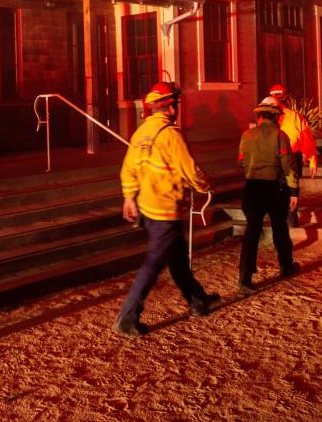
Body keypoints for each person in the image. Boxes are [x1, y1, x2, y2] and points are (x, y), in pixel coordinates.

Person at [114, 82, 221, 337]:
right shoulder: (172, 135)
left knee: (179, 261)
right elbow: (190, 169)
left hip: (147, 207)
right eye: (176, 104)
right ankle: (128, 317)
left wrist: (129, 197)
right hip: (165, 208)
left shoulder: (141, 133)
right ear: (171, 107)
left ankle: (198, 301)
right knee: (154, 263)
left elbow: (128, 168)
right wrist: (206, 185)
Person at [237, 97, 300, 294]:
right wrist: (294, 191)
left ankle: (245, 278)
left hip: (252, 188)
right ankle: (286, 265)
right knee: (280, 228)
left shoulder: (247, 135)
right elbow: (288, 167)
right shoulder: (280, 136)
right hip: (273, 188)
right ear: (275, 116)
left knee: (252, 233)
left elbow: (241, 162)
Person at [267, 84, 318, 227]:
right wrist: (312, 160)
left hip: (280, 158)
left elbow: (306, 139)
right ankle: (289, 218)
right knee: (290, 189)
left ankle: (286, 217)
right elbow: (307, 140)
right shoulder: (295, 117)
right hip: (288, 158)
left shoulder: (268, 118)